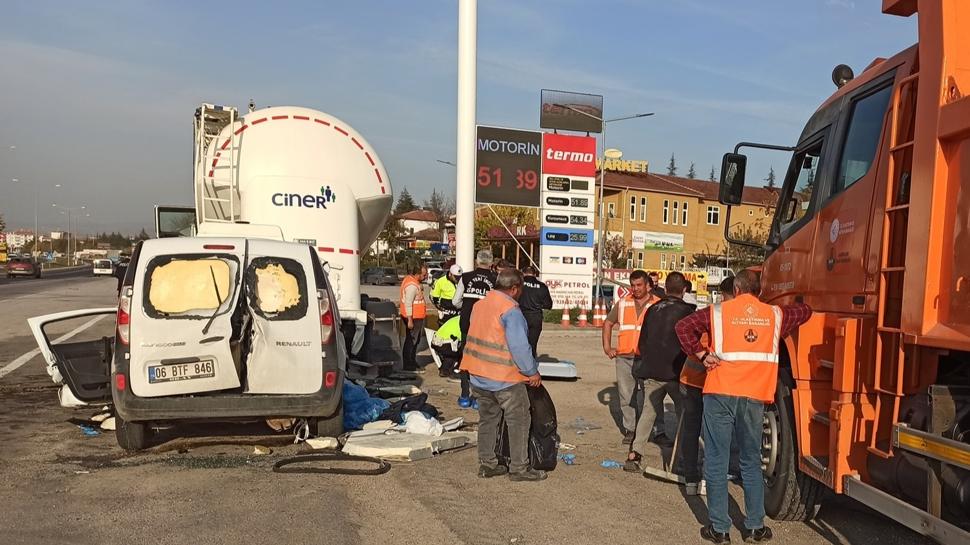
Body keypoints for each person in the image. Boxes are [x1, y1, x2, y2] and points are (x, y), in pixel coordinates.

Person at [676, 270, 812, 543]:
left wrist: (702, 354)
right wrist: (801, 299)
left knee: (716, 459)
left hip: (719, 393)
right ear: (758, 291)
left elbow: (682, 327)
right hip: (753, 397)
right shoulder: (775, 315)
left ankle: (720, 529)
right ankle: (754, 527)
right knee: (751, 461)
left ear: (736, 289)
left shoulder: (716, 313)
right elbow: (804, 312)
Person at [461, 268, 545, 481]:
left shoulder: (480, 305)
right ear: (515, 288)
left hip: (477, 374)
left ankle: (487, 464)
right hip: (504, 378)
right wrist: (531, 372)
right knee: (519, 419)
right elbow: (519, 346)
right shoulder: (511, 310)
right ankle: (519, 468)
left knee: (487, 419)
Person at [625, 271, 696, 471]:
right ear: (684, 290)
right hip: (677, 373)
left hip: (652, 371)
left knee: (648, 412)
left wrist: (642, 366)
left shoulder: (653, 310)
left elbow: (643, 342)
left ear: (665, 289)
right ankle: (682, 458)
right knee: (685, 415)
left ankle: (635, 453)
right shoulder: (689, 312)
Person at [678, 276, 735, 495]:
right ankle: (701, 478)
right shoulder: (721, 316)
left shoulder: (711, 314)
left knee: (693, 429)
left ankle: (691, 477)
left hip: (693, 379)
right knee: (712, 433)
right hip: (703, 381)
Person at [602, 270, 659, 444]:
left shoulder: (658, 304)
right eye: (633, 285)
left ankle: (652, 430)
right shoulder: (623, 303)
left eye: (639, 285)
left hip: (647, 358)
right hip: (625, 356)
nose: (635, 289)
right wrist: (607, 347)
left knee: (650, 396)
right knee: (626, 395)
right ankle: (631, 430)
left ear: (647, 285)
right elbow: (608, 323)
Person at [452, 250, 497, 409]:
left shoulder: (466, 277)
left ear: (476, 261)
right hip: (487, 327)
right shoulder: (495, 279)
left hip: (467, 325)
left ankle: (465, 395)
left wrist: (465, 308)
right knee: (484, 360)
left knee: (465, 359)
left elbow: (455, 301)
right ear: (491, 263)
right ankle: (479, 398)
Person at [430, 315, 475, 405]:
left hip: (437, 342)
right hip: (445, 343)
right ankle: (457, 371)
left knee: (452, 352)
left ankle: (445, 370)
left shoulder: (458, 318)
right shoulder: (466, 323)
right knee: (461, 352)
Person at [399, 263, 429, 371]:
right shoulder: (412, 286)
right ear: (417, 274)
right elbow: (408, 303)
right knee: (412, 341)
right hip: (413, 317)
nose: (425, 277)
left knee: (414, 340)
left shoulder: (411, 281)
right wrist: (410, 320)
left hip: (415, 316)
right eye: (423, 275)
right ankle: (409, 364)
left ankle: (411, 361)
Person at [519, 265, 553, 358]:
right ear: (535, 274)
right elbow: (548, 305)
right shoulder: (542, 286)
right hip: (536, 317)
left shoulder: (518, 284)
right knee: (532, 345)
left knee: (519, 344)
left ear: (523, 273)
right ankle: (531, 367)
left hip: (521, 316)